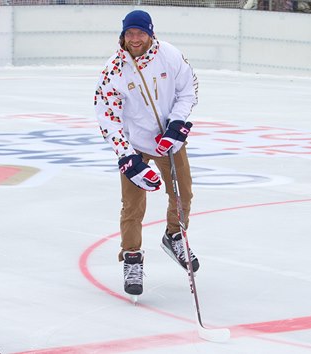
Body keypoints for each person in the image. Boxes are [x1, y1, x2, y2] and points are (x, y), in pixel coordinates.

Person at [93, 10, 200, 297]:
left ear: (150, 34)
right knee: (133, 206)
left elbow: (188, 90)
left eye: (141, 33)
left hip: (168, 141)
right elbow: (107, 116)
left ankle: (174, 235)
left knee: (182, 193)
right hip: (135, 145)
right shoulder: (114, 69)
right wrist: (126, 156)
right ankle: (131, 258)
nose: (136, 39)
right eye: (130, 33)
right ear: (123, 35)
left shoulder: (170, 55)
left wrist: (176, 124)